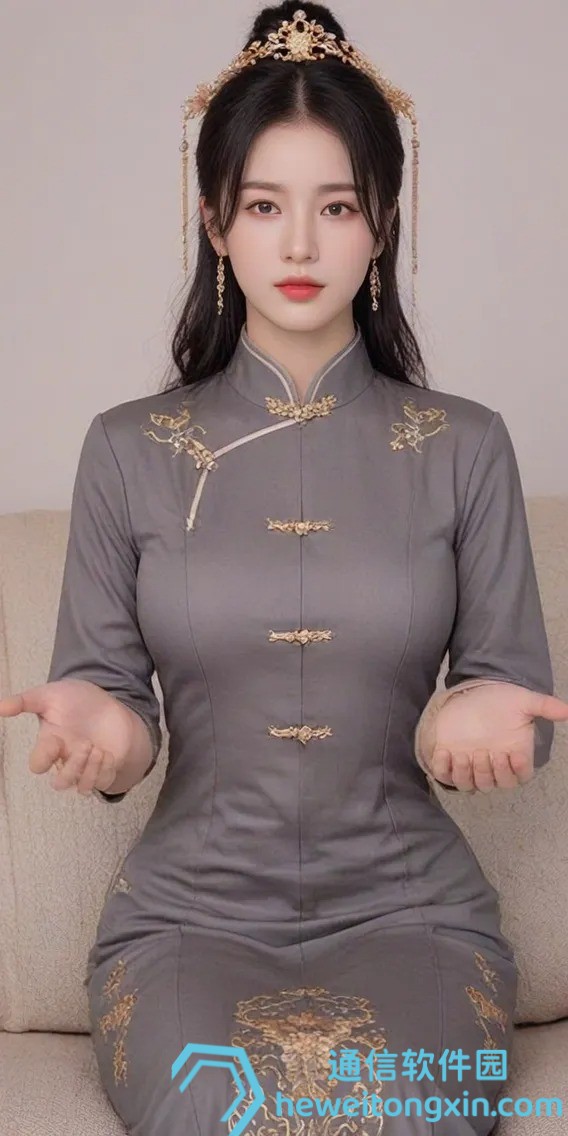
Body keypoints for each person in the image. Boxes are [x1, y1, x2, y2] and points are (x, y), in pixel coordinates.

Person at [1, 3, 567, 1133]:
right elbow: (114, 709)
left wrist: (476, 722)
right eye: (264, 205)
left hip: (415, 915)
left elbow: (513, 698)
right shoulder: (129, 448)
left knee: (399, 1106)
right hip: (184, 921)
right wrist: (107, 731)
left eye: (336, 206)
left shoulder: (465, 445)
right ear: (214, 221)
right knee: (227, 1100)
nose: (300, 245)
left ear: (382, 222)